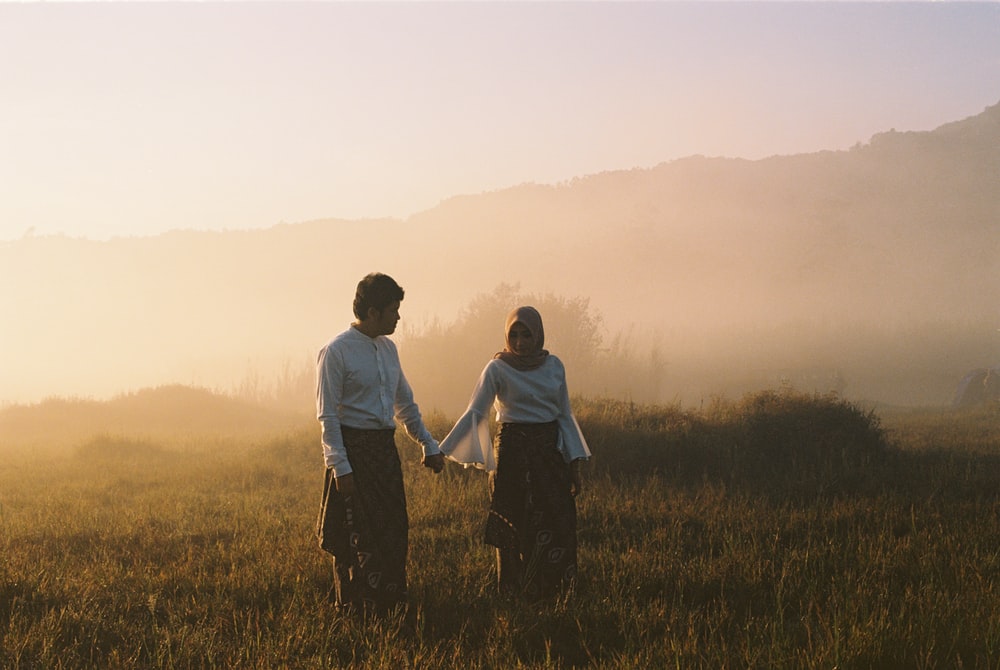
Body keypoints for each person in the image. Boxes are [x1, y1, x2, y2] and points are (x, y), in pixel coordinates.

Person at [315, 272, 444, 617]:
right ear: (372, 312)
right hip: (353, 453)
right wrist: (340, 466)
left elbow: (405, 405)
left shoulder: (389, 350)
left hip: (384, 454)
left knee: (392, 527)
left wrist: (428, 444)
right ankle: (355, 608)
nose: (398, 317)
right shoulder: (336, 351)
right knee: (355, 533)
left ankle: (390, 602)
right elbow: (327, 416)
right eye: (392, 310)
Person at [439, 305, 590, 599]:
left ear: (539, 335)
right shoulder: (497, 368)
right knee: (512, 522)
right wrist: (442, 450)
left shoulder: (554, 366)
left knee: (556, 520)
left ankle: (555, 589)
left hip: (548, 455)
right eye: (515, 335)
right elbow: (476, 411)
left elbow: (564, 415)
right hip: (511, 455)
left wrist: (574, 465)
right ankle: (511, 591)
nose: (520, 342)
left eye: (527, 335)